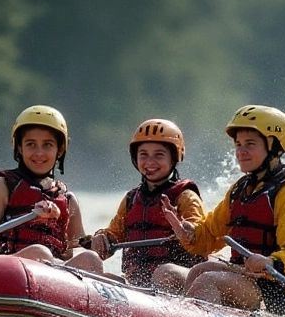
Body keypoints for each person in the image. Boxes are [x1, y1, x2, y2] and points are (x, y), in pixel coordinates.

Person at [161, 105, 285, 314]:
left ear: (273, 146)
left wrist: (271, 261)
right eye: (238, 144)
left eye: (250, 144)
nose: (241, 152)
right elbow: (210, 234)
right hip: (245, 275)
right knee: (200, 270)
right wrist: (189, 235)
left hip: (276, 288)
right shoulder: (240, 189)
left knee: (208, 280)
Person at [0, 105, 103, 272]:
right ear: (19, 147)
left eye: (47, 145)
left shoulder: (67, 199)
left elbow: (75, 249)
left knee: (91, 259)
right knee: (39, 252)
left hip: (55, 277)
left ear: (59, 150)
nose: (39, 153)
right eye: (31, 144)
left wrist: (97, 242)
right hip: (9, 270)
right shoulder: (1, 186)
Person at [88, 119, 205, 291]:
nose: (150, 162)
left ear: (175, 157)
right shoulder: (131, 199)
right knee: (96, 275)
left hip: (177, 277)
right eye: (143, 154)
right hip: (139, 284)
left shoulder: (186, 197)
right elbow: (114, 233)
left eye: (159, 155)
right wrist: (102, 238)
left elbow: (201, 236)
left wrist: (184, 229)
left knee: (164, 272)